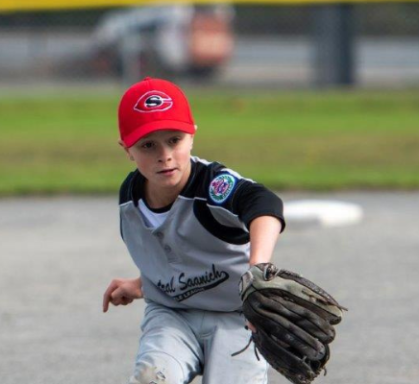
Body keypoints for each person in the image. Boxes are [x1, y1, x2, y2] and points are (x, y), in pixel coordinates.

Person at [102, 77, 285, 384]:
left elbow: (264, 204)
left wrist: (259, 268)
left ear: (192, 136)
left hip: (237, 318)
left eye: (174, 139)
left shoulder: (212, 187)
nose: (164, 155)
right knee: (153, 379)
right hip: (172, 316)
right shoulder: (130, 200)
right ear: (127, 150)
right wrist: (142, 283)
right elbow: (176, 256)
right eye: (148, 145)